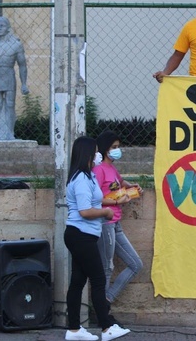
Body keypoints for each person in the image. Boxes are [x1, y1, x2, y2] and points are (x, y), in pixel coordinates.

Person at [64, 136, 131, 341]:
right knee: (99, 279)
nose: (98, 156)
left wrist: (116, 199)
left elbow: (99, 197)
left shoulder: (88, 176)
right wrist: (106, 213)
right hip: (80, 235)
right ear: (86, 154)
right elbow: (85, 211)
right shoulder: (81, 179)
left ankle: (74, 329)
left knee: (78, 281)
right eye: (95, 152)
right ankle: (106, 326)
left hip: (84, 235)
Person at [94, 130, 143, 308]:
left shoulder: (112, 168)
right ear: (105, 149)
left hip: (116, 223)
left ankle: (106, 299)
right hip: (105, 223)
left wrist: (132, 187)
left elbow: (119, 183)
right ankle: (102, 311)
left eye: (118, 146)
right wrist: (116, 201)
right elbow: (96, 198)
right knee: (107, 268)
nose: (117, 150)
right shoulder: (98, 170)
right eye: (114, 147)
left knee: (136, 264)